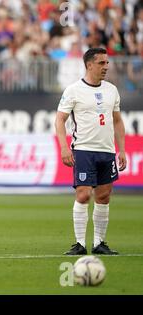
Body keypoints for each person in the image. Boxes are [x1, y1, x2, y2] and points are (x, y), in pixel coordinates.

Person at [55, 47, 127, 256]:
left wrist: (121, 150)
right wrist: (63, 147)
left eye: (107, 63)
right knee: (84, 194)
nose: (106, 66)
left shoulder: (111, 90)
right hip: (84, 150)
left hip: (106, 150)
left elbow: (117, 121)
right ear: (89, 65)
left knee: (104, 196)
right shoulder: (73, 90)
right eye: (101, 63)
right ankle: (79, 243)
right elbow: (60, 119)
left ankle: (99, 243)